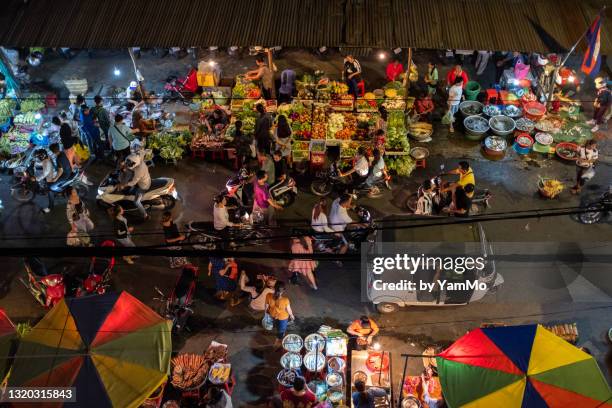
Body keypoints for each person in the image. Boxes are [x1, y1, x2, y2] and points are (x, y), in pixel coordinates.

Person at [118, 153, 151, 219]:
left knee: (136, 202)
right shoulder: (138, 160)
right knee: (130, 190)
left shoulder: (139, 170)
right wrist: (123, 166)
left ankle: (145, 215)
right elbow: (129, 164)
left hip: (143, 186)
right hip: (144, 179)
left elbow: (133, 182)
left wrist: (124, 185)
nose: (128, 164)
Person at [265, 281, 294, 347]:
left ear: (274, 288)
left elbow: (266, 306)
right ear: (283, 291)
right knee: (281, 330)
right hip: (283, 317)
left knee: (277, 325)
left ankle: (279, 335)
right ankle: (277, 342)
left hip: (272, 315)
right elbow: (289, 310)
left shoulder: (268, 295)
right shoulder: (285, 300)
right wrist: (291, 315)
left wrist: (266, 314)